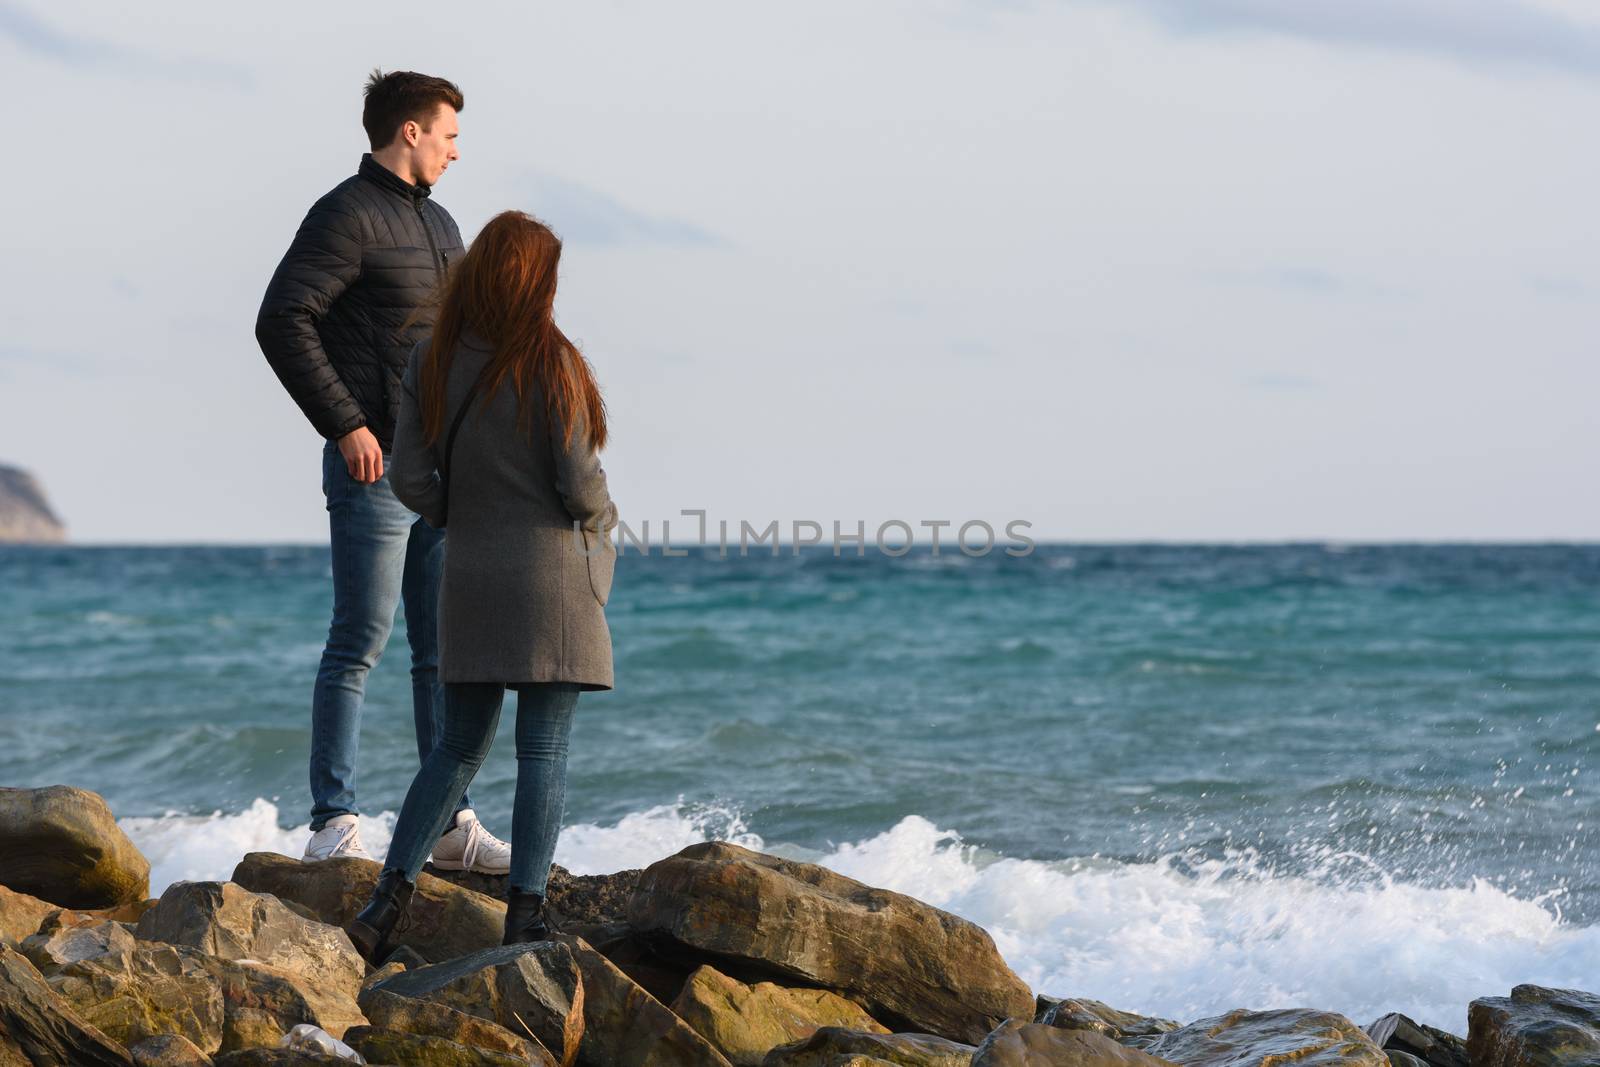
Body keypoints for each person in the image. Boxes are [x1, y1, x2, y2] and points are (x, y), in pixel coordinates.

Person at [345, 210, 618, 962]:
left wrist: (455, 512)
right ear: (535, 281)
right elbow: (576, 477)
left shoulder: (431, 358)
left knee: (456, 749)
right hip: (551, 582)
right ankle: (524, 918)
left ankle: (384, 902)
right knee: (545, 752)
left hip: (466, 574)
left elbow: (406, 476)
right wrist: (605, 517)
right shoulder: (552, 361)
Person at [255, 70, 510, 872]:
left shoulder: (442, 224)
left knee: (442, 653)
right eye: (449, 135)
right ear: (409, 131)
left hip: (441, 473)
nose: (457, 152)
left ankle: (447, 822)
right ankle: (334, 819)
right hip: (373, 470)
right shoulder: (344, 213)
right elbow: (281, 318)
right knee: (358, 642)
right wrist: (346, 424)